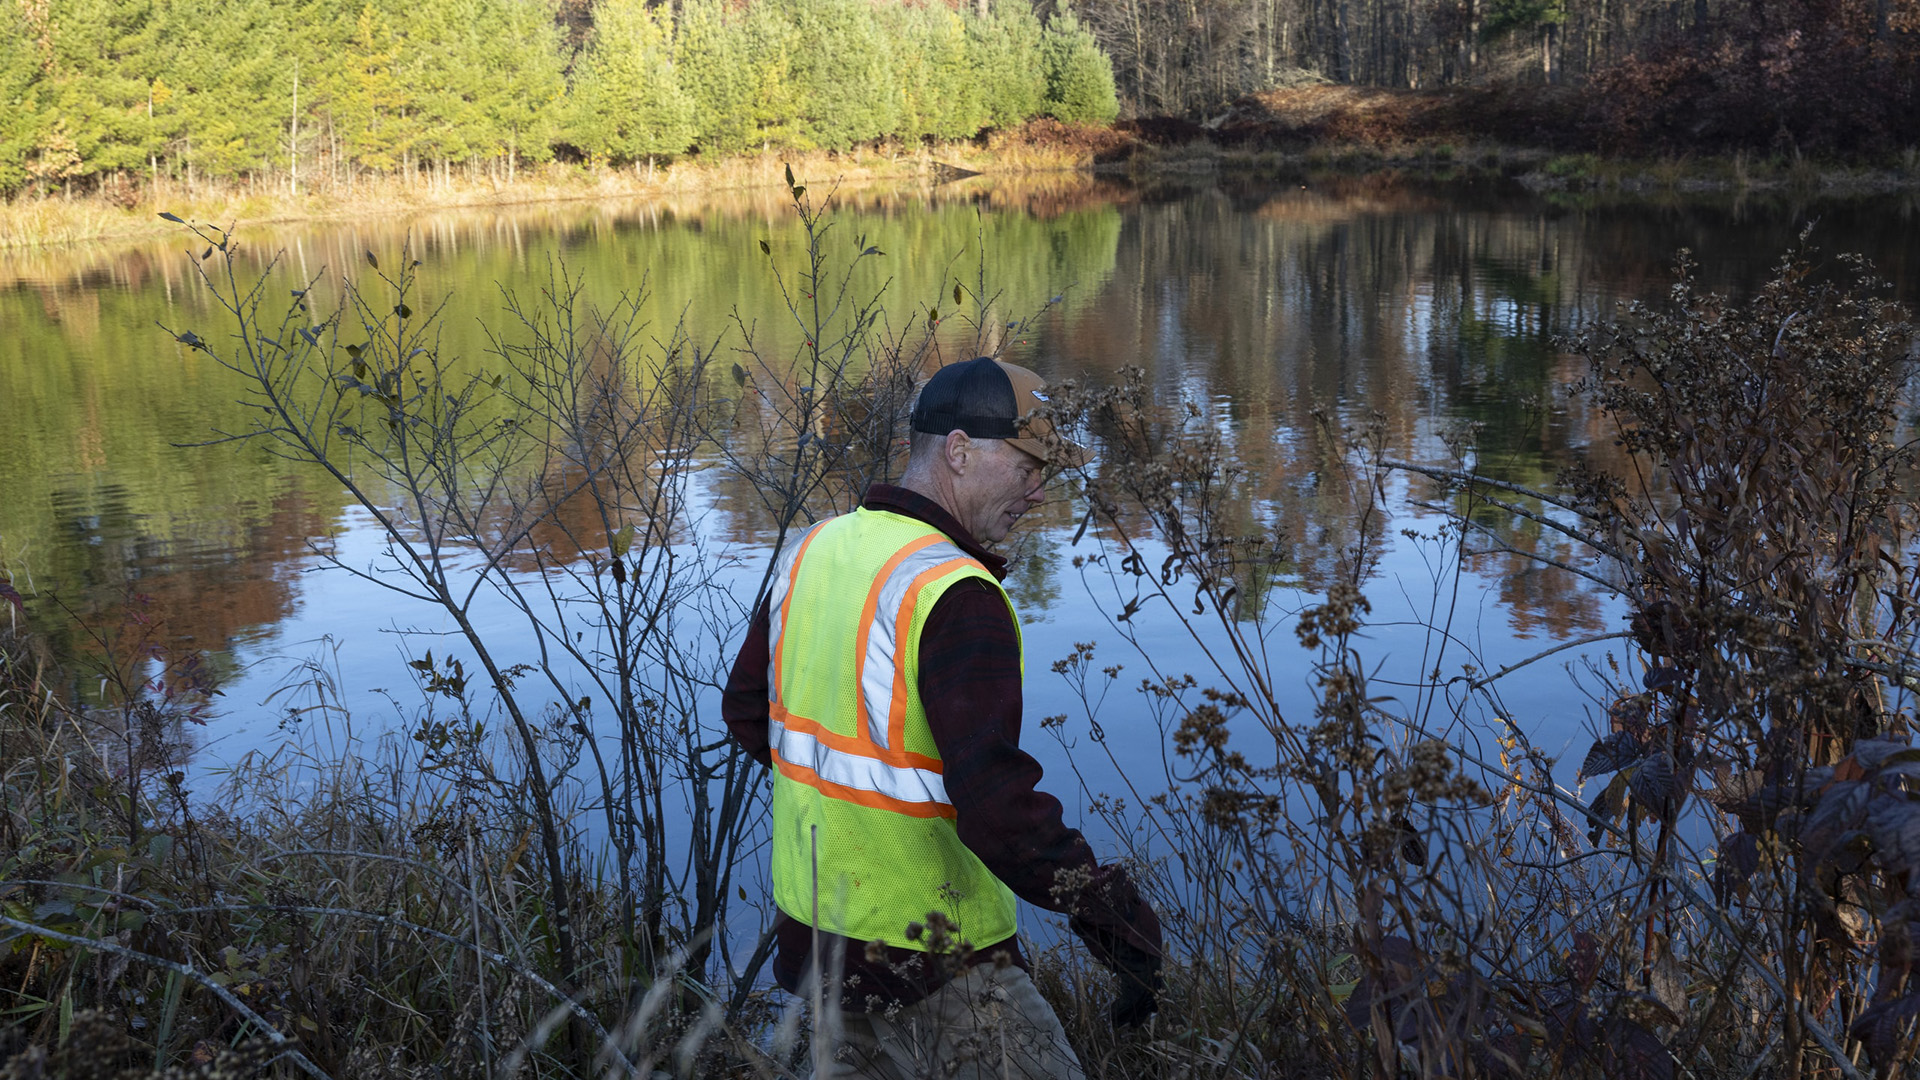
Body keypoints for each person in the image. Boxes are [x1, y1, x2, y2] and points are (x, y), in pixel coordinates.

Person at [723, 356, 1164, 1080]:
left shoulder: (814, 549)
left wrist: (850, 817)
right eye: (1027, 466)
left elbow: (746, 713)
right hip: (939, 965)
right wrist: (1114, 921)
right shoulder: (956, 592)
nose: (1039, 491)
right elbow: (996, 806)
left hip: (819, 946)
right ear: (959, 451)